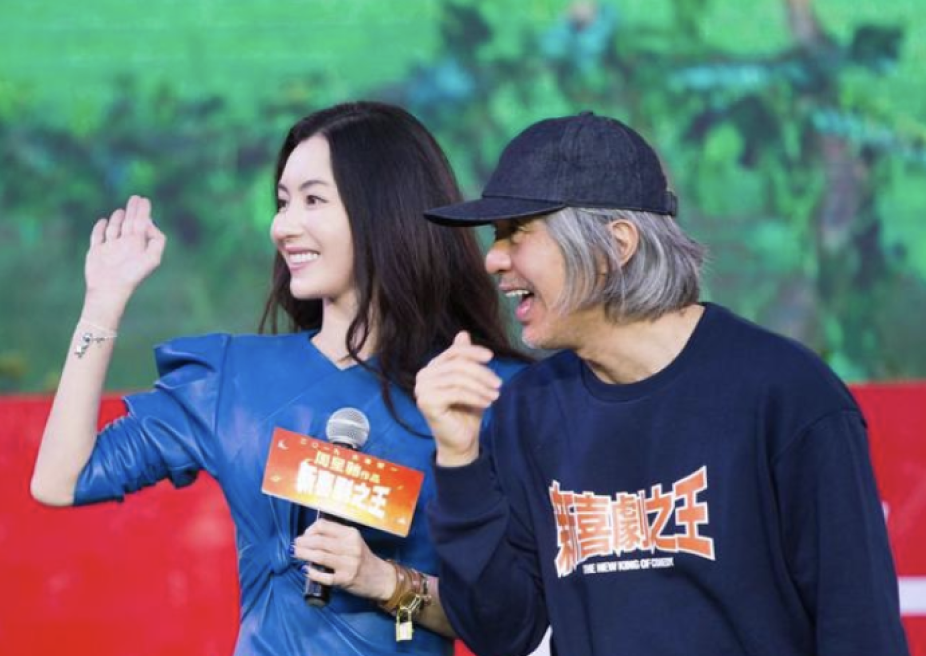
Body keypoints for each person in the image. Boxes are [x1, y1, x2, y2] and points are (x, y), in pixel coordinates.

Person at [31, 101, 526, 656]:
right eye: (283, 202)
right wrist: (102, 304)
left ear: (384, 209)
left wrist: (386, 582)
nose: (283, 226)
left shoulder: (478, 390)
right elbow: (61, 479)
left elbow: (512, 620)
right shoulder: (234, 378)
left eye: (313, 200)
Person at [414, 111, 910, 656]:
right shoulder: (527, 409)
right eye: (495, 236)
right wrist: (458, 459)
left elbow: (859, 629)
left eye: (516, 232)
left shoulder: (786, 393)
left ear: (615, 245)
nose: (492, 259)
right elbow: (505, 631)